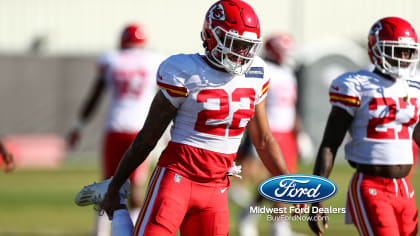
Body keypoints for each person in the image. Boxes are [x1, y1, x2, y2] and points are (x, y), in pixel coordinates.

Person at [75, 0, 303, 235]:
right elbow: (149, 136)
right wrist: (116, 184)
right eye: (234, 43)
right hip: (177, 178)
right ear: (212, 36)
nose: (241, 53)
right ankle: (121, 207)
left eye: (246, 45)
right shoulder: (184, 69)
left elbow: (263, 140)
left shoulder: (257, 73)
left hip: (217, 187)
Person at [308, 16, 420, 236]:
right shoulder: (355, 85)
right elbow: (330, 144)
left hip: (405, 190)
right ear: (376, 50)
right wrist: (316, 195)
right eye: (397, 51)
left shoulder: (414, 86)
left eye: (408, 52)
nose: (404, 57)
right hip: (372, 187)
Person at [67, 23, 163, 236]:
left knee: (108, 183)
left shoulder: (111, 60)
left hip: (115, 126)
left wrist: (78, 126)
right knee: (137, 185)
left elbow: (95, 96)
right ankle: (136, 230)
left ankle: (101, 232)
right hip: (142, 129)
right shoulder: (154, 61)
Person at [237, 32, 312, 236]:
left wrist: (300, 133)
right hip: (269, 132)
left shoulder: (287, 72)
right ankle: (279, 227)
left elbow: (291, 106)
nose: (289, 55)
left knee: (279, 182)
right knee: (278, 182)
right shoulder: (262, 68)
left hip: (286, 133)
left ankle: (250, 215)